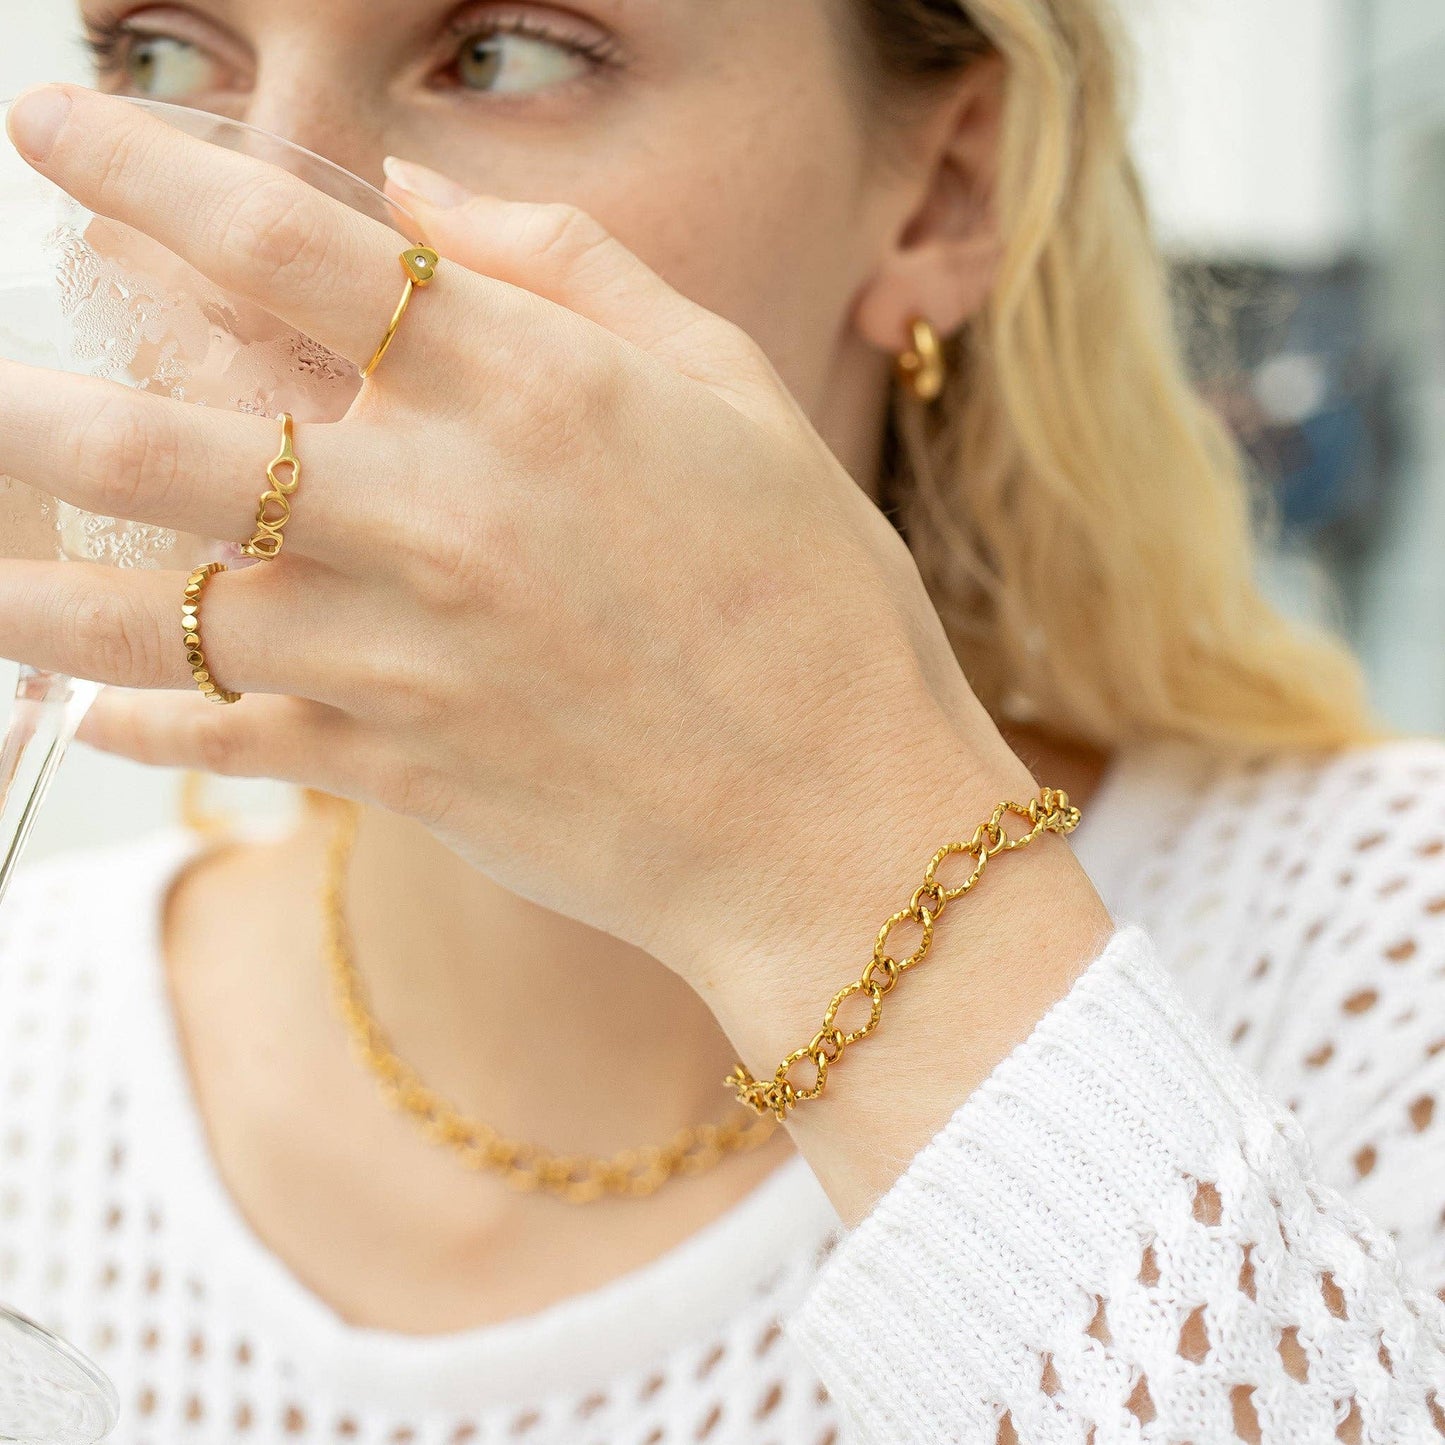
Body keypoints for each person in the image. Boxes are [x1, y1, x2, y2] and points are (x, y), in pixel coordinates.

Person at [0, 1, 1441, 1441]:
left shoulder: (1388, 964)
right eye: (161, 53)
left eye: (500, 56)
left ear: (946, 191)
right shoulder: (31, 1036)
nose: (240, 265)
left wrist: (834, 864)